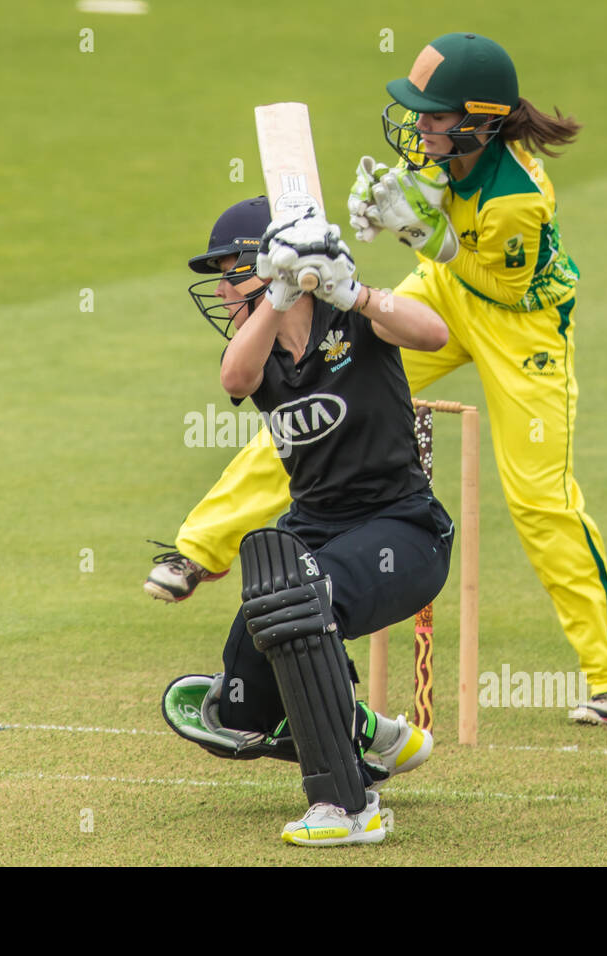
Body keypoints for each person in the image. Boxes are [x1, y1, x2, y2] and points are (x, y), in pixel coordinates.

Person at [149, 33, 607, 726]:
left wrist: (426, 238)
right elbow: (428, 214)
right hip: (443, 295)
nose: (420, 127)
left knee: (540, 499)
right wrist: (381, 207)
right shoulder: (444, 146)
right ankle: (200, 549)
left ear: (478, 121)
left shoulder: (517, 202)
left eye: (435, 117)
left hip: (524, 328)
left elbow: (493, 280)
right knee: (318, 399)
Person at [162, 196, 454, 846]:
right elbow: (233, 376)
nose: (221, 288)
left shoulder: (353, 322)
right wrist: (277, 292)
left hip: (403, 532)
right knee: (241, 709)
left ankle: (348, 806)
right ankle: (367, 734)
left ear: (265, 266)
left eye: (230, 271)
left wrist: (356, 292)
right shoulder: (259, 351)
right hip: (314, 530)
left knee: (301, 596)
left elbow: (433, 333)